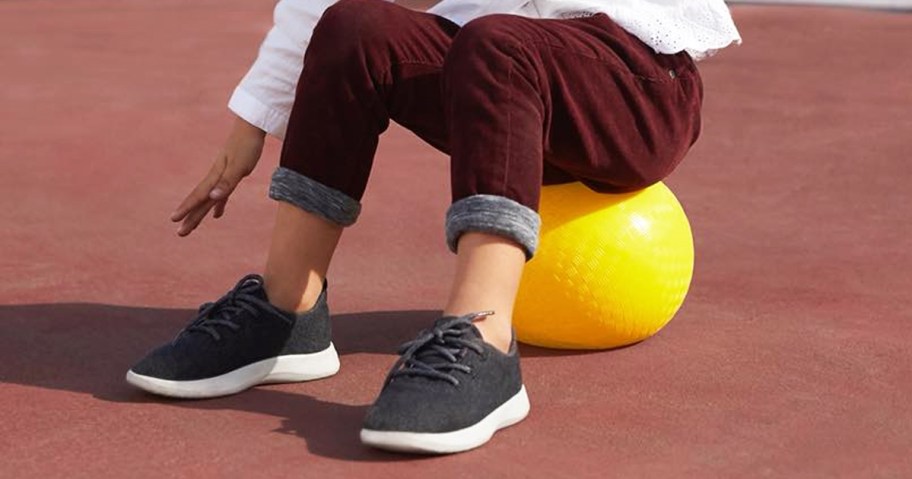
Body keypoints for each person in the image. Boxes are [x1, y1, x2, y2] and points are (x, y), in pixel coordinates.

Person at [126, 0, 741, 454]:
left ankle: (482, 340)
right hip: (493, 62)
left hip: (634, 82)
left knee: (498, 44)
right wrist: (251, 122)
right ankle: (289, 311)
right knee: (354, 29)